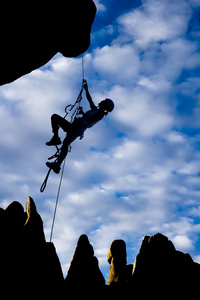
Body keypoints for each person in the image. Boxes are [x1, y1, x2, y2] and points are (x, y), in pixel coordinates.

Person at [46, 80, 114, 174]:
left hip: (79, 128)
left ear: (106, 106)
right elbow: (89, 99)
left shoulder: (100, 114)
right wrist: (86, 89)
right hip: (76, 127)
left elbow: (90, 121)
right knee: (55, 118)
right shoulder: (96, 110)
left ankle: (58, 164)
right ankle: (56, 139)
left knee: (65, 143)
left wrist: (82, 113)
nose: (101, 101)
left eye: (104, 101)